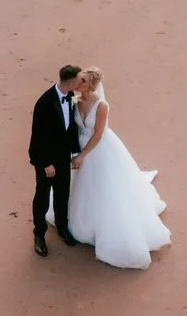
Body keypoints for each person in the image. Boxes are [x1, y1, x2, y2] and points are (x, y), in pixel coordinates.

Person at [62, 66, 171, 269]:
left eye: (83, 80)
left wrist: (82, 155)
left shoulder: (102, 106)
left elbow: (97, 135)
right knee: (84, 188)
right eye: (79, 79)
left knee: (105, 188)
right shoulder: (75, 99)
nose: (78, 83)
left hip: (98, 149)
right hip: (81, 150)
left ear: (92, 85)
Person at [28, 65, 83, 256]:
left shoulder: (72, 96)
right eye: (78, 80)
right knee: (42, 198)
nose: (80, 83)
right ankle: (39, 235)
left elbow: (71, 129)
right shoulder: (44, 103)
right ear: (70, 82)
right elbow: (37, 138)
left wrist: (75, 152)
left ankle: (62, 227)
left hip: (62, 157)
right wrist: (46, 164)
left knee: (62, 194)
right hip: (46, 160)